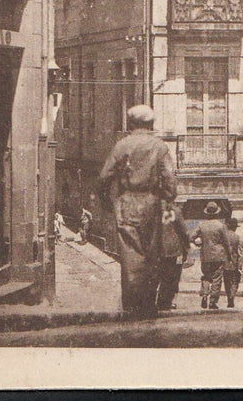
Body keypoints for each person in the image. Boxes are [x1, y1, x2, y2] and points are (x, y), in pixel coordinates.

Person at [96, 104, 178, 318]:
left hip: (127, 202)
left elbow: (104, 177)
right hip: (151, 204)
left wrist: (107, 202)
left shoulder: (122, 146)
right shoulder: (160, 147)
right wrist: (167, 199)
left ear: (130, 123)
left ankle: (132, 307)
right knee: (151, 256)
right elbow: (170, 179)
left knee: (131, 257)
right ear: (151, 124)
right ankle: (148, 305)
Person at [189, 201, 229, 310]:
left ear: (207, 213)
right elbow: (227, 242)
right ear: (217, 213)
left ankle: (205, 294)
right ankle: (213, 301)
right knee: (217, 278)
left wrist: (199, 244)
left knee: (206, 276)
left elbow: (191, 237)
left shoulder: (201, 225)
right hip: (218, 255)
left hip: (205, 255)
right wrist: (228, 255)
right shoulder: (221, 226)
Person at [157, 202, 190, 311]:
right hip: (174, 250)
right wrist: (187, 247)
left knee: (159, 276)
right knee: (173, 276)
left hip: (157, 249)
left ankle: (158, 302)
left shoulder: (153, 209)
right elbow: (184, 232)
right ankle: (166, 303)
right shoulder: (175, 210)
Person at [223, 217, 242, 308]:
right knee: (235, 281)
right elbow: (240, 252)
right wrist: (240, 264)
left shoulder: (223, 236)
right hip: (234, 262)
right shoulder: (237, 237)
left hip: (225, 262)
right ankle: (232, 297)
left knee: (227, 281)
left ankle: (228, 297)